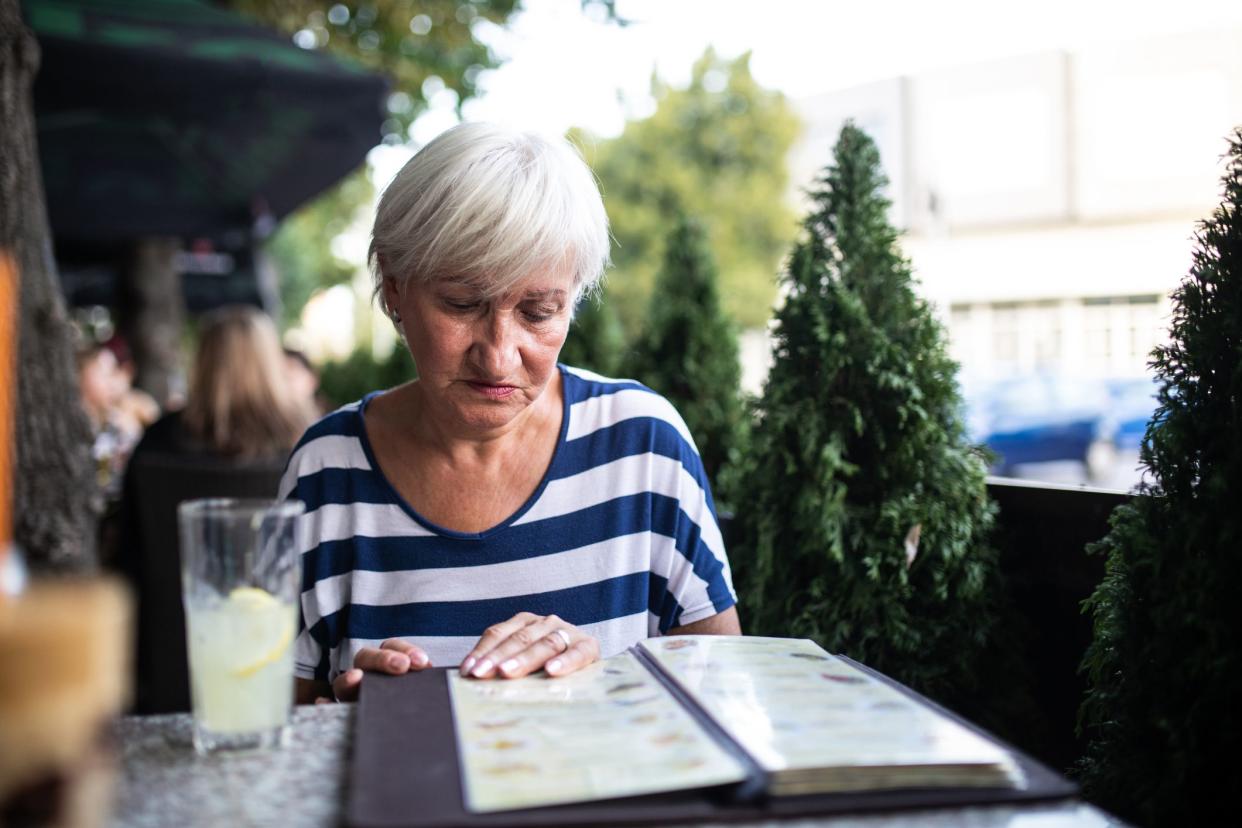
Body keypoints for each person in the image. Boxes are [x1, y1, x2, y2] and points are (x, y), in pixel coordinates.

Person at [280, 122, 740, 705]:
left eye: (539, 312)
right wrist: (345, 726)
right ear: (394, 290)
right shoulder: (326, 471)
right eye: (462, 304)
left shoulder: (642, 446)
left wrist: (605, 683)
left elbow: (723, 695)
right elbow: (277, 731)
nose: (498, 356)